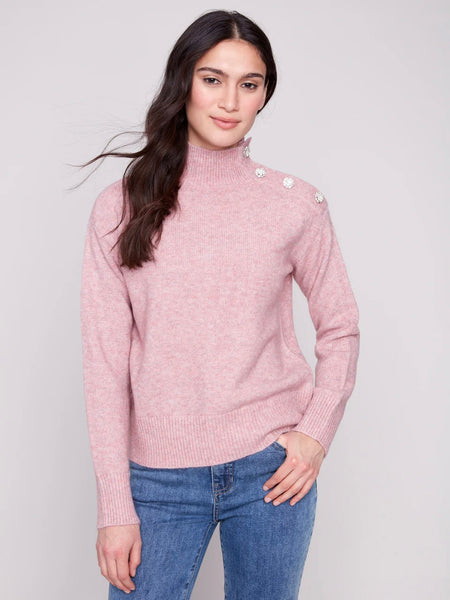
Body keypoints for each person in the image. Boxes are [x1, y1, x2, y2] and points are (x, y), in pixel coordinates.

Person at [79, 9, 360, 599]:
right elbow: (104, 365)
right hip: (156, 480)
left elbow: (340, 327)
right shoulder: (121, 206)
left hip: (270, 472)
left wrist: (315, 433)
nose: (230, 101)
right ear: (183, 82)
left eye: (249, 84)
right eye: (212, 79)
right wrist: (114, 504)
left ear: (264, 95)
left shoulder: (296, 205)